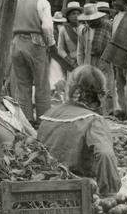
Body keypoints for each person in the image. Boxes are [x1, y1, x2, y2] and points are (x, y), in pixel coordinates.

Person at [38, 65, 121, 196]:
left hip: (43, 186)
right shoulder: (93, 121)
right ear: (100, 95)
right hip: (78, 191)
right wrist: (109, 193)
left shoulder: (50, 114)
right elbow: (105, 155)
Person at [11, 0, 54, 124]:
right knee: (42, 83)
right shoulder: (42, 2)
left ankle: (26, 119)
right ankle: (44, 119)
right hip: (35, 42)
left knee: (22, 84)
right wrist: (50, 44)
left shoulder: (15, 2)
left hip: (16, 42)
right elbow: (47, 27)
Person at [77, 3, 114, 116]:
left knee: (106, 89)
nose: (89, 22)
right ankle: (93, 114)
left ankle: (107, 114)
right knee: (90, 90)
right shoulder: (83, 31)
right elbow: (81, 51)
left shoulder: (108, 27)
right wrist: (81, 66)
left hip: (104, 63)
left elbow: (112, 46)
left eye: (92, 20)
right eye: (87, 20)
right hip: (89, 64)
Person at [57, 1, 81, 72]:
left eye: (78, 14)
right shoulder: (63, 29)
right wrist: (69, 60)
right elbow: (60, 49)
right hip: (71, 62)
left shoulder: (84, 28)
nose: (76, 16)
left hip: (84, 61)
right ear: (68, 16)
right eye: (73, 14)